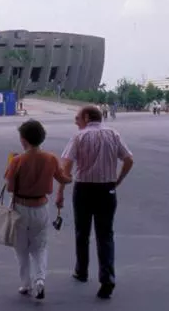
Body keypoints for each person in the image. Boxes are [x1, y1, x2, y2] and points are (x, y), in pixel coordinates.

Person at [55, 106, 134, 299]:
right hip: (107, 189)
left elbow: (67, 166)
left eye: (77, 118)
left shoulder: (79, 137)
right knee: (105, 234)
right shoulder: (113, 134)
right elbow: (129, 159)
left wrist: (60, 191)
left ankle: (81, 270)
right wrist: (118, 179)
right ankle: (107, 279)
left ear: (87, 117)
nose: (76, 122)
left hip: (83, 189)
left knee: (82, 232)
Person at [4, 119, 72, 300]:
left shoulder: (17, 160)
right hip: (41, 207)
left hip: (20, 208)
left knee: (21, 248)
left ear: (23, 139)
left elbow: (10, 188)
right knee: (40, 246)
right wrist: (70, 175)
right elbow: (64, 179)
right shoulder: (51, 158)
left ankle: (25, 284)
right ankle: (40, 280)